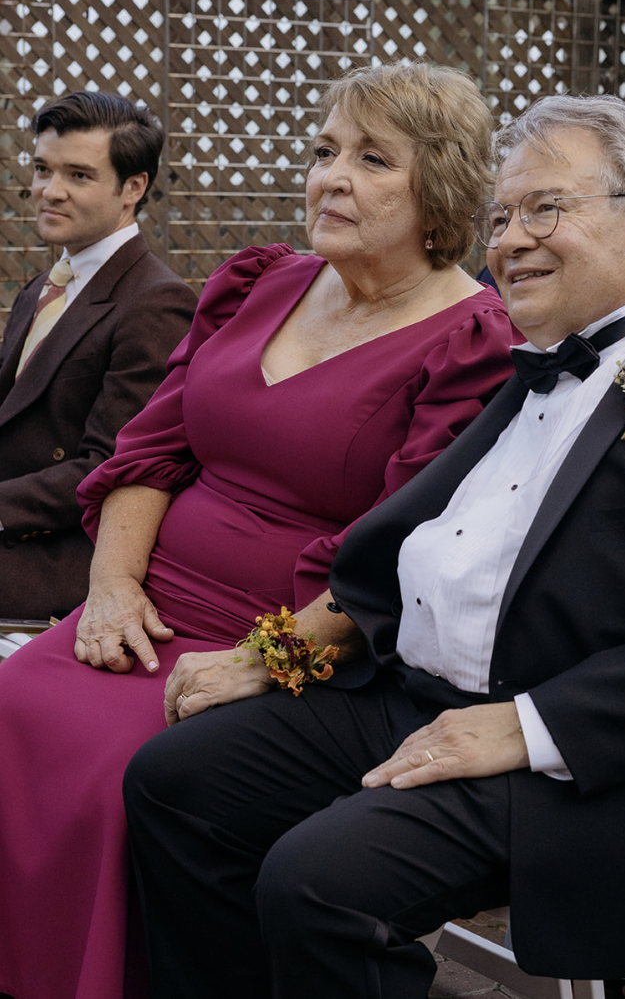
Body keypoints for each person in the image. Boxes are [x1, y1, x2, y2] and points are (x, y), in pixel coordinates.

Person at [120, 92, 625, 999]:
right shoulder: (523, 367)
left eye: (546, 208)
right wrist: (276, 656)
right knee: (174, 784)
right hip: (409, 699)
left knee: (319, 884)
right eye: (501, 217)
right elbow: (396, 564)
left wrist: (524, 726)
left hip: (579, 760)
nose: (509, 238)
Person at [0, 62, 515, 999]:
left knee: (136, 769)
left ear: (438, 187)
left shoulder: (471, 341)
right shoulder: (260, 282)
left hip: (293, 645)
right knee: (16, 704)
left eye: (371, 159)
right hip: (143, 610)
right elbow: (146, 452)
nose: (332, 177)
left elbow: (401, 558)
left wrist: (258, 658)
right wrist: (110, 589)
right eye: (324, 152)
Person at [0, 91, 196, 623]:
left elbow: (107, 468)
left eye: (79, 176)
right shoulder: (42, 287)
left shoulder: (158, 303)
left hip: (62, 556)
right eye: (43, 169)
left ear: (133, 187)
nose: (49, 192)